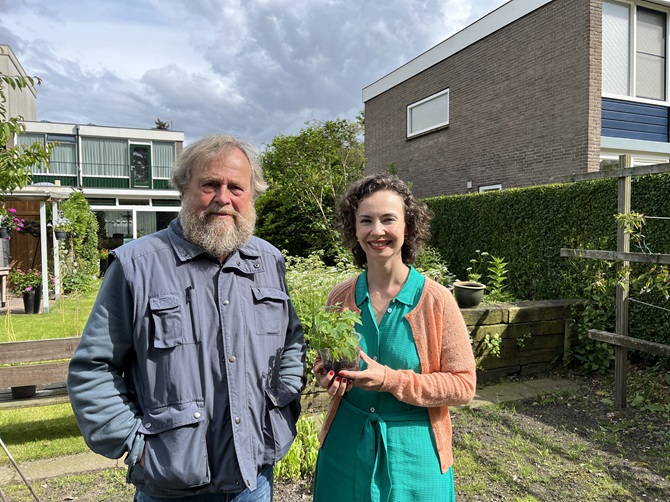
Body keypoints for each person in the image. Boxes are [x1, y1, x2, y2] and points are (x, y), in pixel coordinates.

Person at [67, 135, 306, 501]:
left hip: (254, 478)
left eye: (236, 187)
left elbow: (291, 341)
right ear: (183, 189)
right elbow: (93, 367)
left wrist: (284, 402)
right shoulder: (137, 265)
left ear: (252, 195)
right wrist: (137, 446)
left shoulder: (268, 261)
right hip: (171, 485)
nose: (223, 198)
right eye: (210, 184)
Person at [312, 173, 476, 502]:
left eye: (389, 219)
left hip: (416, 455)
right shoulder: (340, 297)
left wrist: (389, 380)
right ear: (353, 228)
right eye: (366, 221)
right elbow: (326, 361)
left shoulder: (436, 300)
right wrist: (327, 376)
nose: (377, 231)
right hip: (345, 448)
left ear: (408, 226)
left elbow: (463, 386)